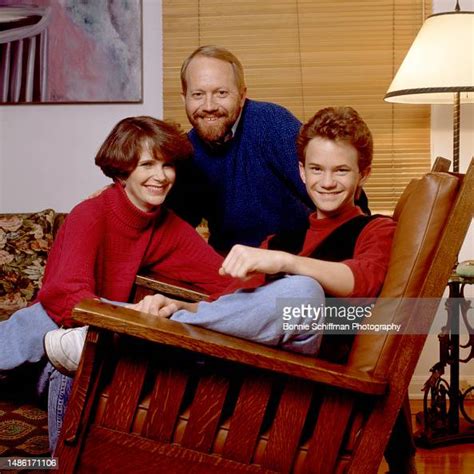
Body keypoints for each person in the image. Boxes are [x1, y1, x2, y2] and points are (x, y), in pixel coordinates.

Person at [166, 45, 369, 254]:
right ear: (185, 98)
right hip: (234, 270)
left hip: (301, 260)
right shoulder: (186, 152)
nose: (209, 105)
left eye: (221, 93)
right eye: (198, 94)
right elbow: (172, 229)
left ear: (242, 95)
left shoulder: (272, 124)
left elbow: (342, 193)